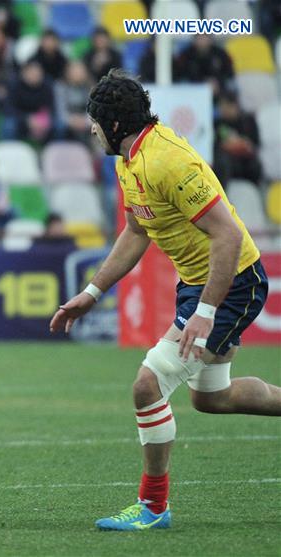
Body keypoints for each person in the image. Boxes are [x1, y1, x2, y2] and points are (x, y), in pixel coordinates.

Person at [50, 69, 279, 531]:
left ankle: (153, 507)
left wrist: (206, 313)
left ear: (114, 124)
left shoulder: (167, 161)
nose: (91, 129)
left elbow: (229, 235)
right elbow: (137, 231)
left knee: (147, 385)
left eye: (94, 120)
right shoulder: (128, 161)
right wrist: (93, 293)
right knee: (212, 398)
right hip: (198, 283)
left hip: (232, 282)